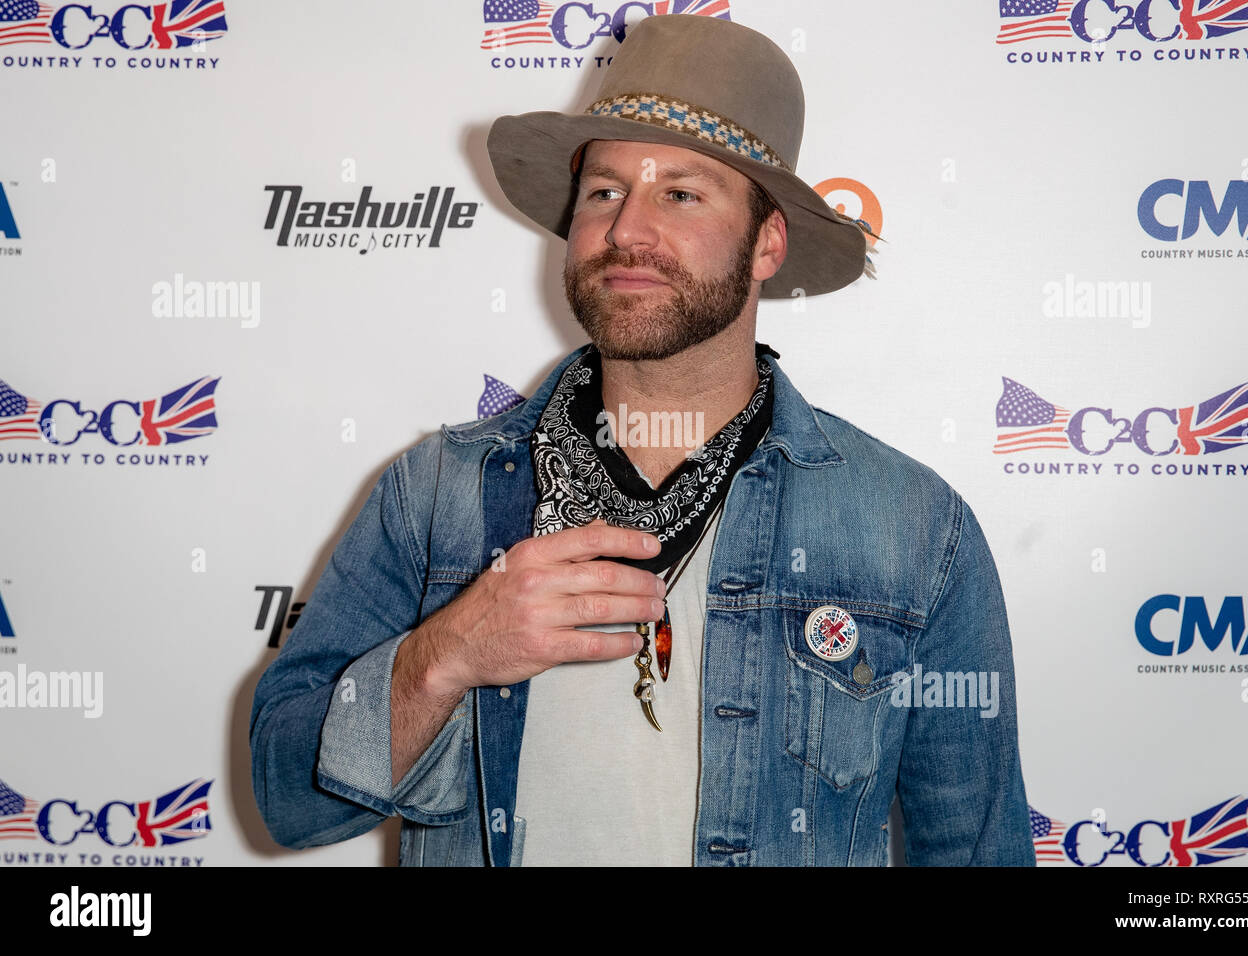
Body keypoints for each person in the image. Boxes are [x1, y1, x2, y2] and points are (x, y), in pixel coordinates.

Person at [250, 14, 1034, 866]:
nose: (627, 230)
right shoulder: (437, 490)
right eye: (604, 191)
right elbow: (289, 799)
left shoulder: (913, 528)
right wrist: (446, 653)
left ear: (767, 241)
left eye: (681, 194)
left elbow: (977, 849)